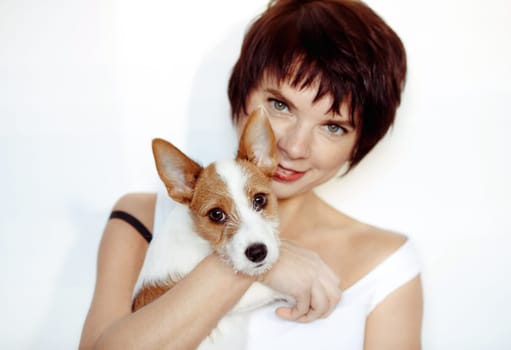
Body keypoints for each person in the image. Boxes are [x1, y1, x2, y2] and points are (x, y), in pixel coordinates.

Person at [79, 0, 423, 349]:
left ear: (360, 143)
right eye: (280, 105)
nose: (294, 147)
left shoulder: (388, 263)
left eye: (333, 126)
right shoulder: (142, 219)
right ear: (242, 91)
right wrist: (260, 262)